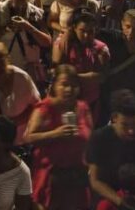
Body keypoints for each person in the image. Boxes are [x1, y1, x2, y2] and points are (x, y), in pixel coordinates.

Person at [23, 64, 93, 210]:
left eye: (73, 85)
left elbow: (90, 138)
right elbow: (28, 137)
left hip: (77, 177)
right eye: (64, 84)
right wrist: (55, 134)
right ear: (55, 85)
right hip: (51, 178)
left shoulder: (83, 107)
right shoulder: (45, 107)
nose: (68, 89)